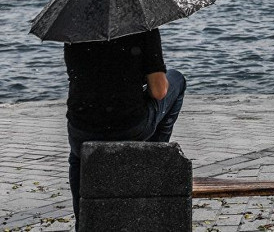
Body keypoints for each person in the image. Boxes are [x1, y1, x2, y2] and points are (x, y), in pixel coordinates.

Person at [64, 28, 186, 226]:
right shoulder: (142, 29)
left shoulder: (75, 30)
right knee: (177, 80)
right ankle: (153, 156)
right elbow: (159, 91)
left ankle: (84, 220)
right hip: (129, 126)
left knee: (78, 152)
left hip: (82, 129)